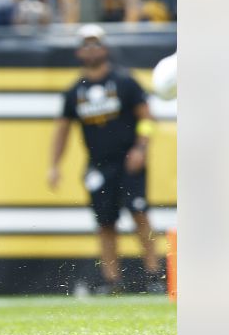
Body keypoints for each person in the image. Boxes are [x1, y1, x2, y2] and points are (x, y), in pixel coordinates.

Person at [48, 25, 162, 294]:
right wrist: (54, 165)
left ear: (105, 48)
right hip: (98, 165)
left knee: (140, 214)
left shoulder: (125, 82)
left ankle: (154, 275)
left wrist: (140, 149)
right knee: (105, 222)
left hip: (130, 161)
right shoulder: (74, 91)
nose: (91, 49)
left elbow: (147, 119)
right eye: (86, 45)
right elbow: (62, 130)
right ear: (79, 51)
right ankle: (112, 280)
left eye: (95, 44)